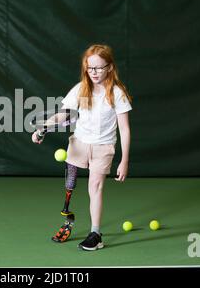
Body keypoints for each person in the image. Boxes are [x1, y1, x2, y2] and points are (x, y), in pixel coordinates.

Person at [32, 44, 132, 251]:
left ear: (110, 67)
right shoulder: (80, 89)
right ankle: (68, 218)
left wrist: (124, 160)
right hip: (78, 144)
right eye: (90, 68)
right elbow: (64, 115)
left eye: (99, 68)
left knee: (94, 187)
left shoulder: (117, 93)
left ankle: (95, 234)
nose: (94, 72)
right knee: (70, 185)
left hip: (103, 147)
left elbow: (124, 128)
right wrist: (44, 127)